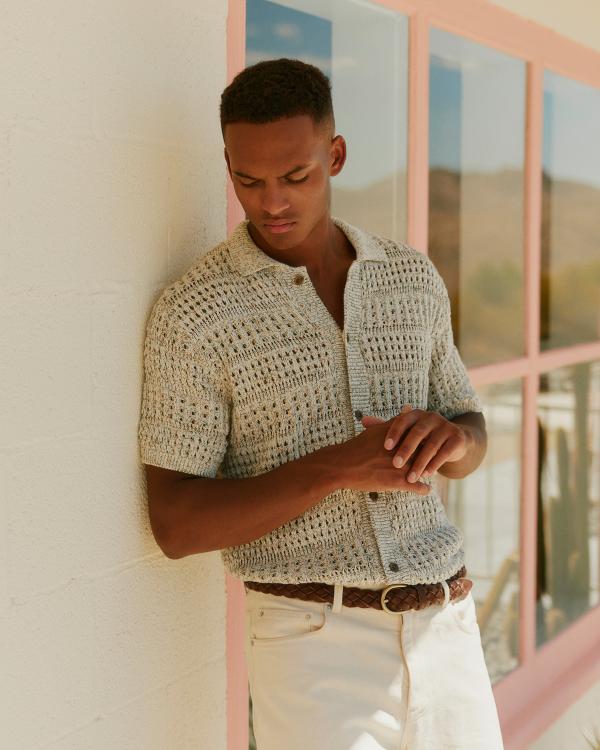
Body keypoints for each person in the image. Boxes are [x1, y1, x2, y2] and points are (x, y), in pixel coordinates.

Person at [138, 57, 505, 750]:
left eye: (295, 176)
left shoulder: (411, 278)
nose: (271, 202)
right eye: (248, 180)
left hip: (448, 626)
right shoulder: (195, 314)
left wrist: (453, 440)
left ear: (335, 156)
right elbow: (175, 523)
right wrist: (336, 468)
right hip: (313, 645)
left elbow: (471, 426)